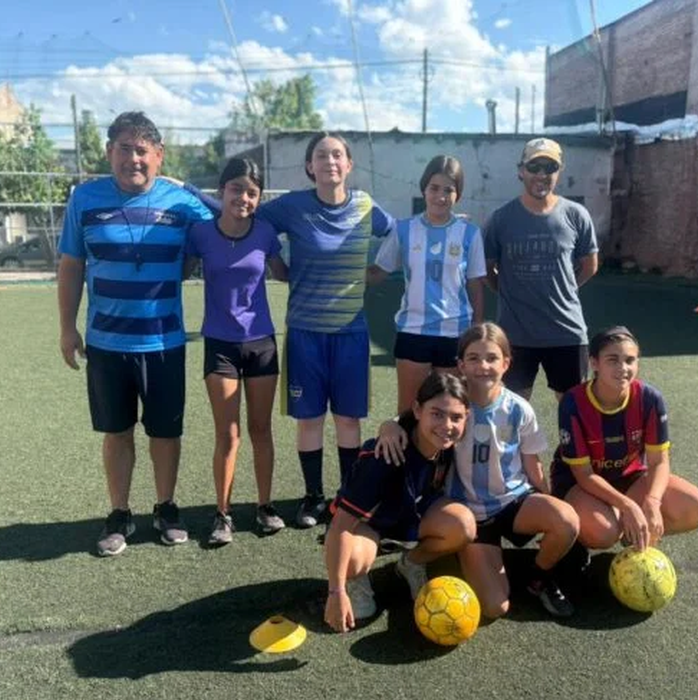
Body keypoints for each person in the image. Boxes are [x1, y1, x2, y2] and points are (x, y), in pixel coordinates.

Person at [57, 111, 212, 557]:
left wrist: (191, 188)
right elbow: (71, 266)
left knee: (165, 432)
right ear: (110, 153)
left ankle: (166, 508)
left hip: (164, 341)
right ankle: (120, 513)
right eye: (123, 148)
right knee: (117, 431)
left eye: (142, 150)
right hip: (106, 343)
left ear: (159, 157)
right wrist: (67, 328)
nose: (133, 159)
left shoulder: (183, 205)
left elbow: (227, 221)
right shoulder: (84, 199)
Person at [378, 323, 583, 619]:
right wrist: (389, 424)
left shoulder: (519, 408)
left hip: (512, 502)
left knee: (566, 521)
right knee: (494, 608)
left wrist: (548, 501)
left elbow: (531, 463)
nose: (482, 366)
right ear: (460, 364)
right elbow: (411, 416)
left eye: (491, 358)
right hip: (468, 512)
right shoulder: (452, 405)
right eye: (473, 358)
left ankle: (539, 578)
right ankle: (420, 559)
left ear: (506, 363)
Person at [254, 132, 395, 529]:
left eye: (337, 155)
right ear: (309, 166)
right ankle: (313, 498)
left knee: (348, 420)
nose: (329, 161)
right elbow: (249, 220)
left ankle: (346, 497)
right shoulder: (293, 206)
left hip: (351, 334)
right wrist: (276, 265)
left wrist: (380, 271)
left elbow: (402, 235)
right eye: (321, 155)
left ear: (349, 165)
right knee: (310, 420)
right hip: (305, 333)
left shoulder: (367, 206)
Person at [183, 157, 290, 545]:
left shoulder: (265, 234)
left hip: (262, 343)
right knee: (227, 434)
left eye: (251, 192)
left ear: (258, 197)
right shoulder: (199, 234)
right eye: (236, 190)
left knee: (261, 431)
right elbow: (178, 271)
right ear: (221, 192)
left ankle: (264, 507)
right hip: (220, 345)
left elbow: (284, 273)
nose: (243, 198)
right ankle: (223, 514)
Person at [325, 372, 475, 633]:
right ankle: (354, 582)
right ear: (417, 410)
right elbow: (341, 526)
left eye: (456, 417)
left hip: (407, 520)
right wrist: (335, 591)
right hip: (366, 528)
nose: (447, 425)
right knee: (352, 559)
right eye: (437, 414)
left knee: (463, 525)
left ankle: (412, 563)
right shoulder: (384, 456)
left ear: (466, 418)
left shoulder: (446, 446)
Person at [551, 326, 698, 550]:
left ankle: (633, 534)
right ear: (595, 363)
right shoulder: (573, 403)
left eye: (630, 360)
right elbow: (584, 474)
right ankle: (579, 537)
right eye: (612, 360)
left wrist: (652, 502)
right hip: (582, 484)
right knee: (604, 533)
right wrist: (628, 506)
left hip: (630, 478)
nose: (623, 368)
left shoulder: (650, 399)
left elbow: (658, 461)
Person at [483, 137, 599, 402]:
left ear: (559, 172)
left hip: (566, 332)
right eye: (534, 167)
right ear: (521, 170)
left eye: (550, 167)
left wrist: (564, 288)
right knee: (511, 412)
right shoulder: (501, 219)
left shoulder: (576, 215)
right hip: (515, 335)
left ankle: (569, 448)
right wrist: (510, 291)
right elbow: (488, 270)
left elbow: (589, 264)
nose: (541, 174)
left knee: (574, 412)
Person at [367, 155, 486, 413]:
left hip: (455, 334)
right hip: (413, 332)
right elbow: (378, 272)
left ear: (458, 195)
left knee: (452, 410)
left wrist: (476, 332)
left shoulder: (470, 233)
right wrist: (339, 268)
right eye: (434, 188)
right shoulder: (404, 229)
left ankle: (448, 457)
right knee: (410, 412)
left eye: (449, 190)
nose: (440, 196)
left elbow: (476, 284)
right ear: (424, 189)